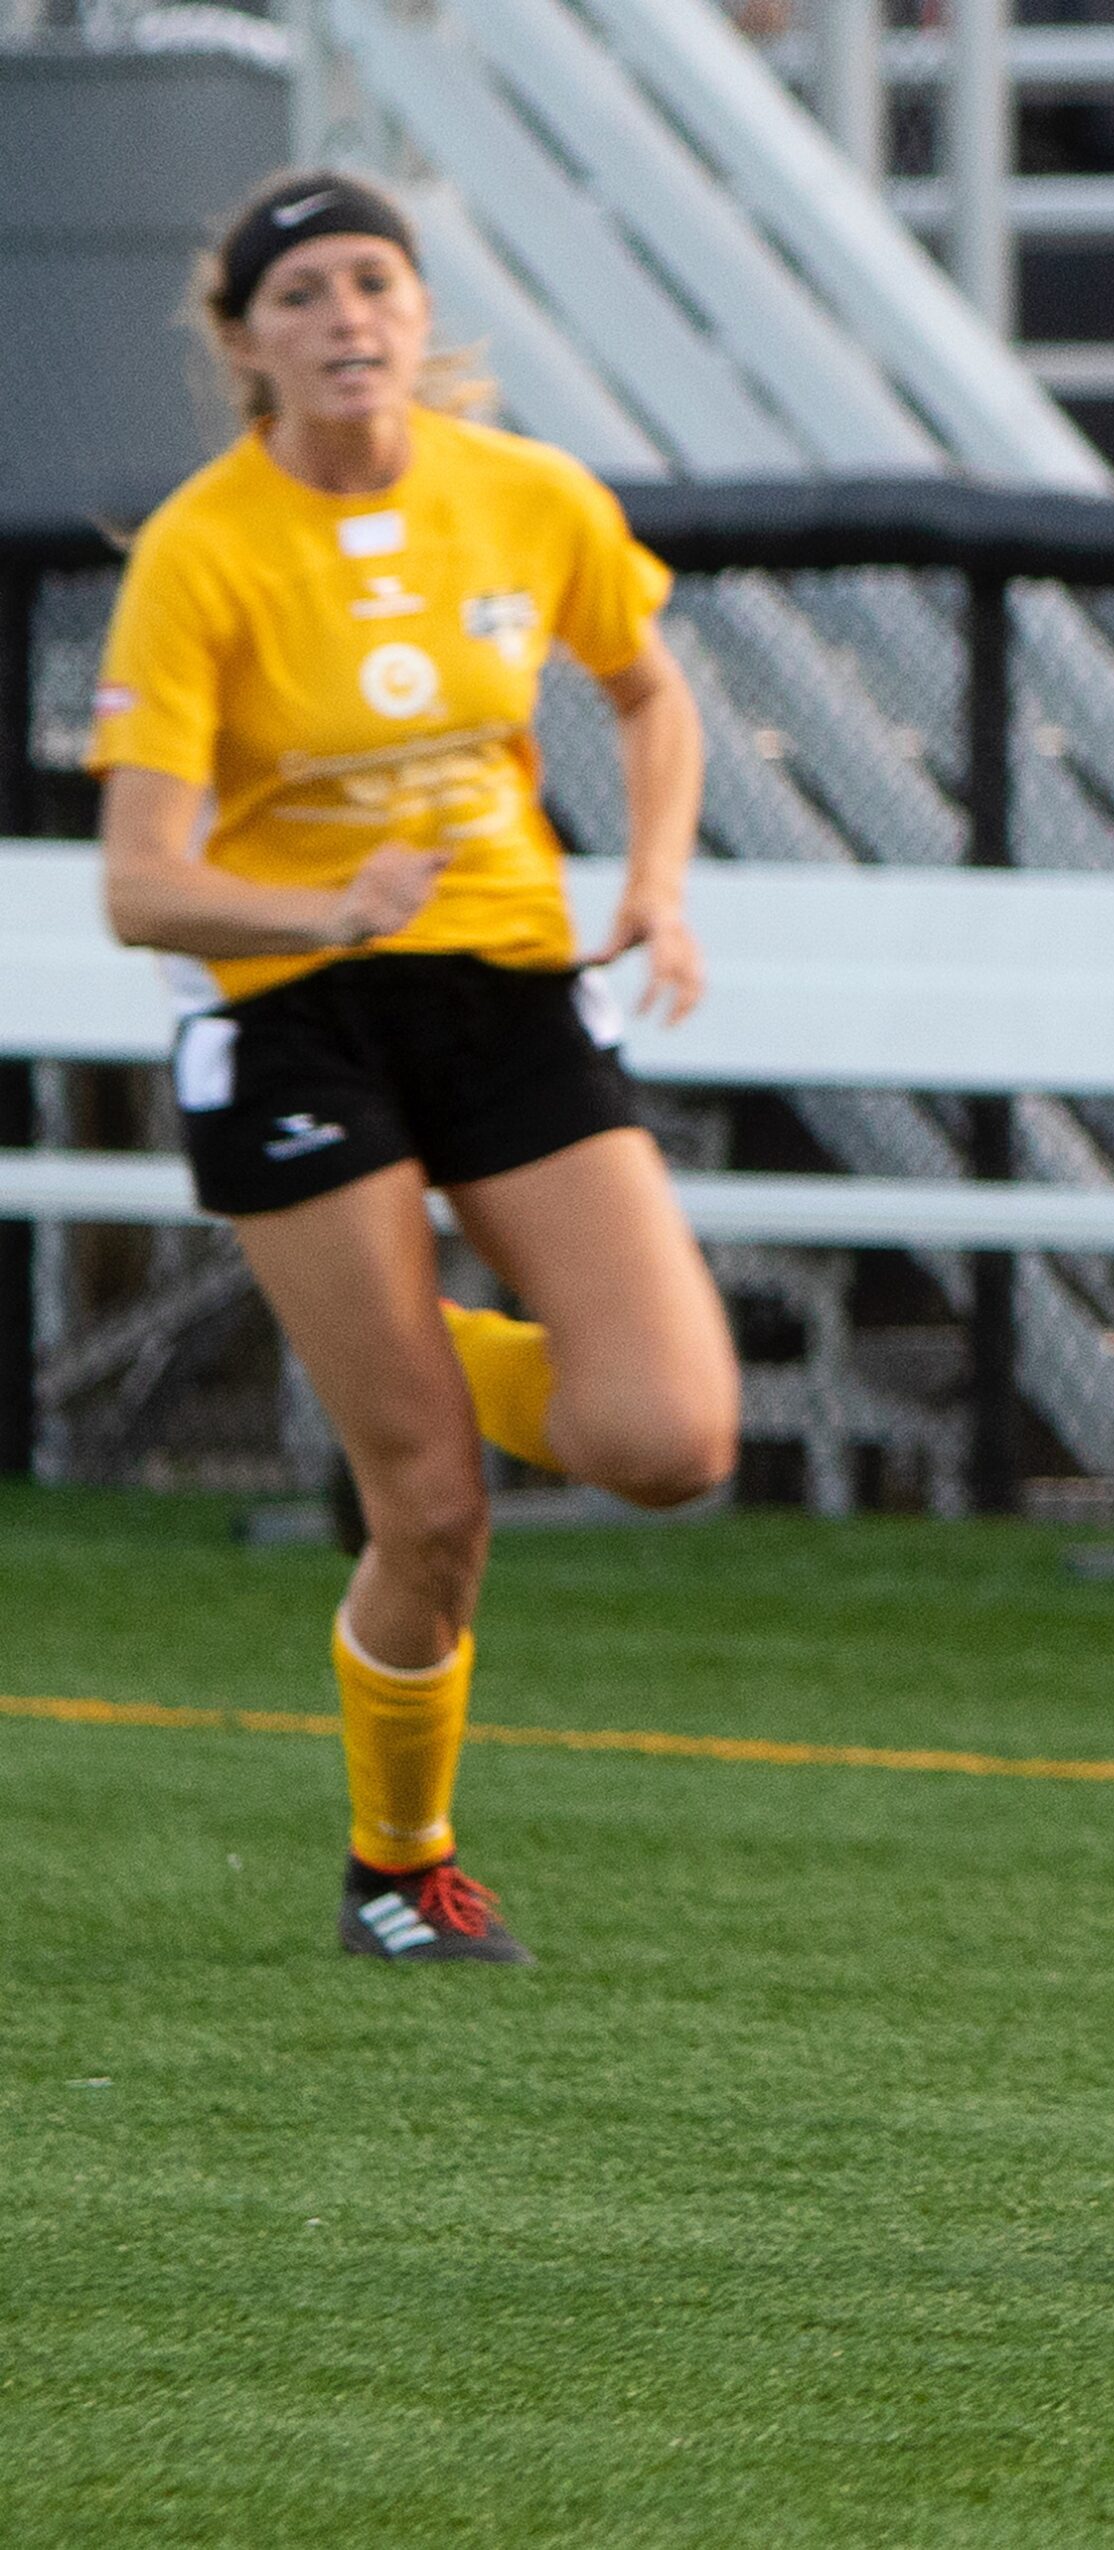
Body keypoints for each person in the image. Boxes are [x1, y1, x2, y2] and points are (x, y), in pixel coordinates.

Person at [89, 171, 739, 1965]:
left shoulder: (526, 493)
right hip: (295, 1015)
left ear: (419, 304)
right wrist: (323, 892)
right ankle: (401, 1868)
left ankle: (399, 1348)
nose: (348, 316)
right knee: (431, 1508)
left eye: (374, 279)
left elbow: (652, 690)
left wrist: (658, 888)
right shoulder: (202, 549)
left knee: (671, 1439)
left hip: (507, 996)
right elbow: (140, 883)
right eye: (301, 295)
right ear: (242, 345)